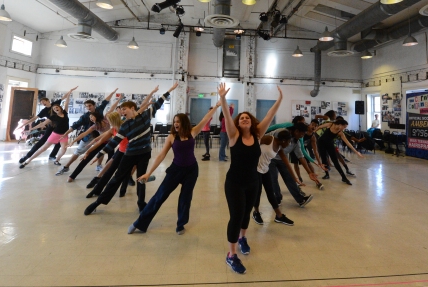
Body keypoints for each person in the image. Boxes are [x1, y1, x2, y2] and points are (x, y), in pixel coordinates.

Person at [127, 103, 221, 234]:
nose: (175, 123)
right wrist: (148, 173)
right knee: (159, 196)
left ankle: (181, 224)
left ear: (183, 122)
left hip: (191, 171)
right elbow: (161, 155)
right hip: (175, 170)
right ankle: (140, 223)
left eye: (178, 121)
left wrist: (217, 106)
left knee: (185, 198)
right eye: (174, 121)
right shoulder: (172, 137)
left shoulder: (192, 132)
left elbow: (205, 119)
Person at [84, 83, 178, 216]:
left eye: (124, 109)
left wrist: (169, 90)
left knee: (141, 179)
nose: (122, 112)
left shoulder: (146, 115)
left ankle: (141, 203)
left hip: (144, 153)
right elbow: (114, 142)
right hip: (130, 154)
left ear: (132, 108)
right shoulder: (125, 125)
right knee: (117, 178)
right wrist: (100, 154)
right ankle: (98, 202)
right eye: (121, 110)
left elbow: (159, 101)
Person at [219, 83, 282, 275]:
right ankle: (231, 256)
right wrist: (222, 98)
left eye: (248, 117)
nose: (245, 119)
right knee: (236, 216)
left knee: (247, 214)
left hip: (253, 182)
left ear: (251, 122)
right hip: (234, 183)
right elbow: (228, 117)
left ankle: (242, 238)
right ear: (238, 123)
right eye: (242, 118)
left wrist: (279, 100)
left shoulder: (257, 134)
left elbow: (269, 116)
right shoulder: (233, 135)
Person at [19, 89, 75, 169]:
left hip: (63, 132)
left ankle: (53, 157)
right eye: (41, 103)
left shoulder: (59, 107)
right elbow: (39, 120)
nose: (43, 104)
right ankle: (27, 157)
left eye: (43, 102)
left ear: (48, 101)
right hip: (53, 129)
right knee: (42, 143)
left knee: (60, 146)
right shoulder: (46, 112)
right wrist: (27, 125)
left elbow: (65, 100)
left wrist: (69, 92)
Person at [251, 129, 294, 227]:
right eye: (288, 141)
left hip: (265, 169)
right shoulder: (269, 139)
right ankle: (256, 212)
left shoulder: (279, 147)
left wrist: (295, 178)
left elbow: (286, 162)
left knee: (271, 192)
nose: (289, 144)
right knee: (257, 192)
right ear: (283, 140)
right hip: (255, 169)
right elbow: (254, 142)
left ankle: (279, 216)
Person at [61, 88, 118, 161]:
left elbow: (105, 101)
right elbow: (75, 126)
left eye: (90, 105)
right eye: (87, 106)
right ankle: (66, 166)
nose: (88, 108)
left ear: (94, 105)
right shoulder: (85, 117)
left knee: (101, 150)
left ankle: (99, 165)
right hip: (89, 135)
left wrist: (112, 93)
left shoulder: (99, 110)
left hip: (101, 133)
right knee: (79, 151)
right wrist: (66, 134)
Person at [316, 119, 363, 185]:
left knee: (335, 162)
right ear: (340, 124)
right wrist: (312, 133)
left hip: (329, 144)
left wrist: (356, 152)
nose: (344, 128)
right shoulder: (330, 124)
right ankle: (327, 174)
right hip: (321, 143)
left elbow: (348, 143)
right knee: (324, 160)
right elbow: (320, 127)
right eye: (344, 127)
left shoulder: (340, 132)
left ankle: (344, 178)